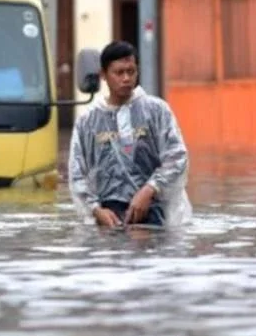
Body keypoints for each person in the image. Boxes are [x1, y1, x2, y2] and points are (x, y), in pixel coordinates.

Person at [68, 40, 192, 228]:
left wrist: (150, 189)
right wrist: (95, 210)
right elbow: (77, 174)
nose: (126, 78)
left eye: (131, 71)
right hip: (107, 218)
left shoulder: (156, 111)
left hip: (154, 212)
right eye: (119, 73)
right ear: (103, 75)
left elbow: (177, 157)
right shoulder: (87, 121)